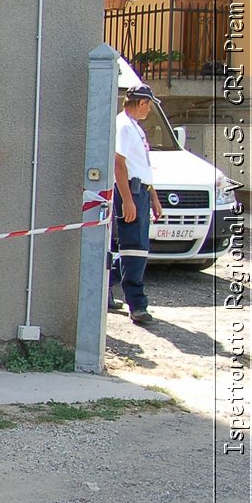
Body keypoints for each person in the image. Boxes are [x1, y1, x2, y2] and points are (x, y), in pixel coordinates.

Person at [110, 83, 163, 326]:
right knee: (135, 248)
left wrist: (153, 197)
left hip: (139, 190)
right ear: (141, 103)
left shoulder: (134, 128)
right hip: (129, 191)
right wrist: (128, 201)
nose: (149, 110)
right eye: (149, 105)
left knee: (134, 249)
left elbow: (142, 167)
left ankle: (106, 287)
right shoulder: (123, 126)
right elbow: (118, 164)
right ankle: (137, 304)